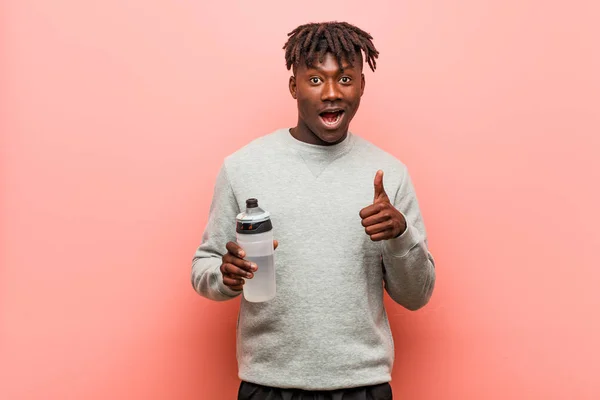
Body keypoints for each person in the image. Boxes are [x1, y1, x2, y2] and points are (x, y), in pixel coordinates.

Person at [191, 21, 436, 400]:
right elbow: (204, 266)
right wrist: (225, 276)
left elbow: (417, 295)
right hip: (268, 385)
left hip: (362, 386)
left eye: (346, 78)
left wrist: (401, 235)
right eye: (316, 80)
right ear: (294, 86)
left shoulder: (390, 175)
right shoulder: (243, 167)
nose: (332, 93)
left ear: (362, 86)